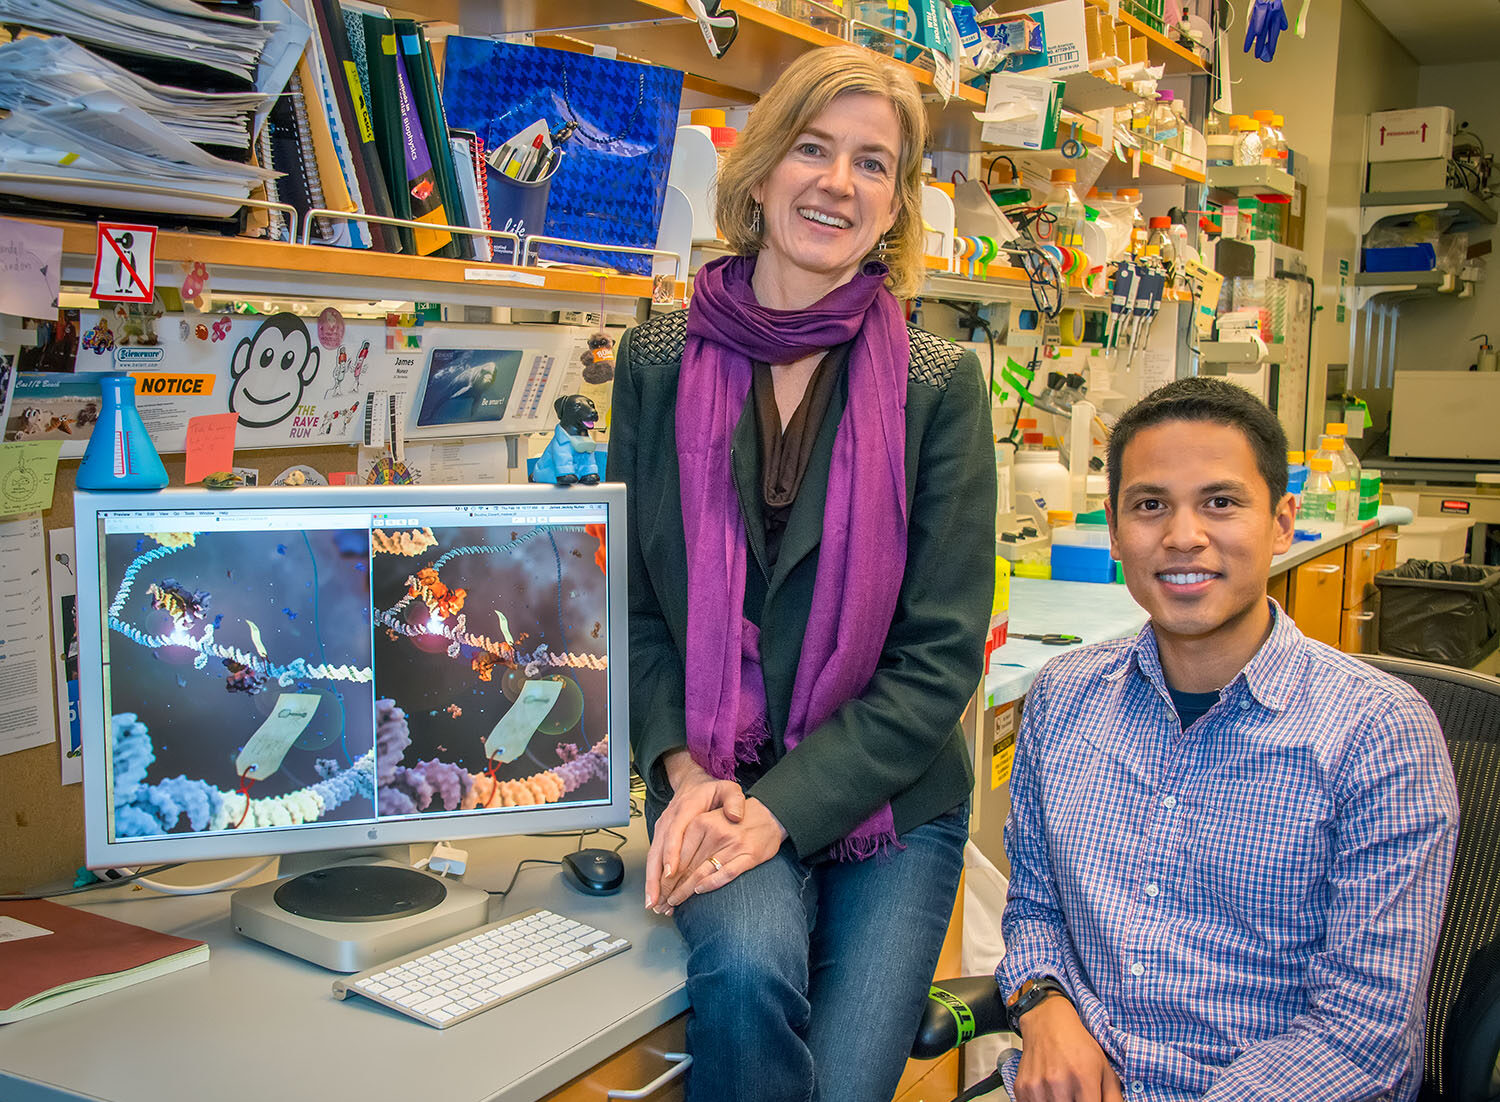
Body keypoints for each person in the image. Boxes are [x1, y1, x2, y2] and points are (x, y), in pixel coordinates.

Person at [608, 45, 996, 1102]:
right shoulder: (653, 359)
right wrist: (685, 776)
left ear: (896, 204)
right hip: (712, 772)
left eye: (874, 164)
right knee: (742, 973)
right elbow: (635, 609)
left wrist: (782, 811)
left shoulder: (939, 381)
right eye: (815, 149)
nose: (838, 182)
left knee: (845, 1084)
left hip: (888, 798)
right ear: (765, 167)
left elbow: (938, 658)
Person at [996, 377, 1459, 1102]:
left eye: (1220, 502)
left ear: (1281, 523)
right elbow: (1034, 909)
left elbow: (1364, 1037)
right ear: (1115, 533)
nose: (1183, 536)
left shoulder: (1378, 736)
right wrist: (1042, 1003)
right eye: (1151, 506)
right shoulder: (1062, 699)